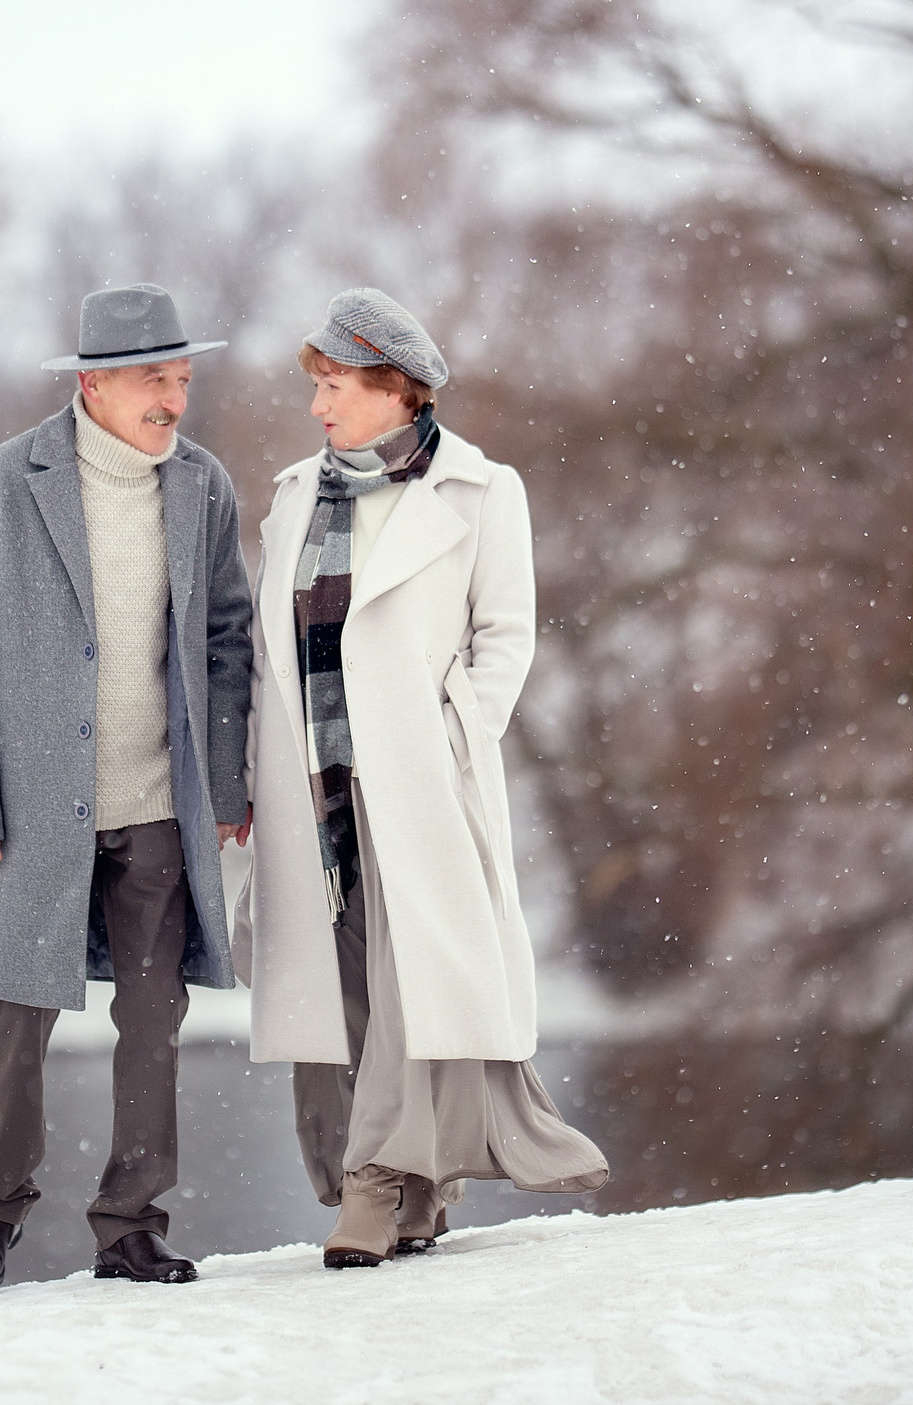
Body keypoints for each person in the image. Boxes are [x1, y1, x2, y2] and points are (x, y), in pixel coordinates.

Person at [235, 288, 608, 1267]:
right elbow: (272, 648)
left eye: (337, 385)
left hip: (416, 778)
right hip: (309, 777)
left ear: (396, 389)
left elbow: (505, 633)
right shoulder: (290, 495)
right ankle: (418, 1189)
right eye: (315, 385)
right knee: (346, 983)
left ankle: (370, 1187)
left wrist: (458, 730)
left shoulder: (482, 492)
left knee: (410, 982)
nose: (318, 404)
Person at [0, 282, 255, 1289]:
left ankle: (129, 1224)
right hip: (31, 809)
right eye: (155, 379)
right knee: (15, 1015)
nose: (174, 399)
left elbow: (225, 637)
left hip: (159, 799)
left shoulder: (201, 485)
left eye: (183, 379)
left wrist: (230, 782)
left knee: (153, 1019)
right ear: (93, 384)